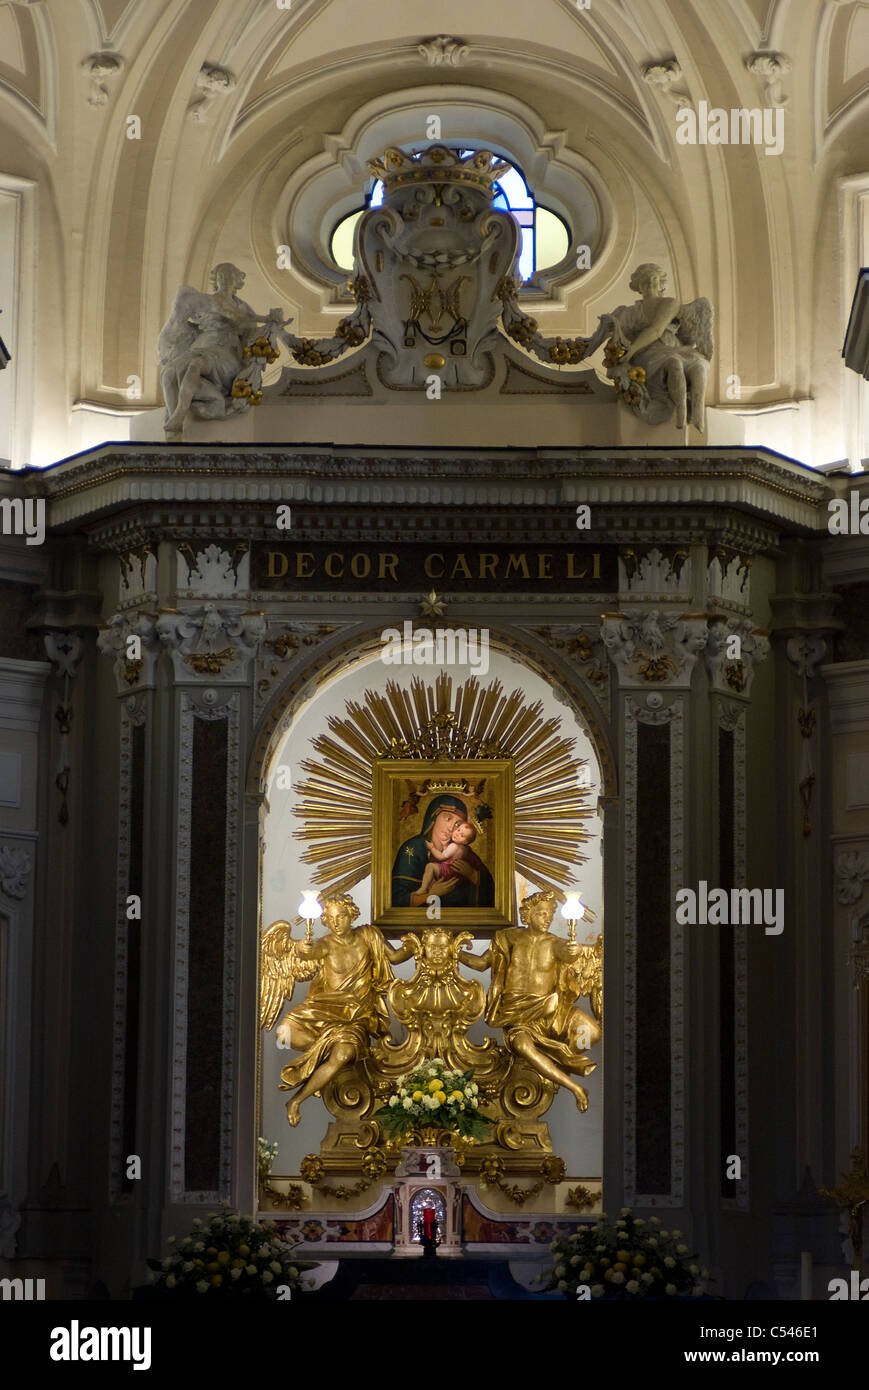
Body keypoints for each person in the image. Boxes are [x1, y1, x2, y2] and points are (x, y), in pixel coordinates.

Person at [275, 894, 414, 1125]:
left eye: (341, 916)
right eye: (330, 918)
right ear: (326, 922)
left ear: (352, 915)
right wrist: (301, 947)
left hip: (354, 1016)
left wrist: (415, 942)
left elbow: (396, 957)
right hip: (323, 1009)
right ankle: (324, 1048)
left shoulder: (369, 935)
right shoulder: (325, 944)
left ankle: (296, 1101)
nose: (336, 922)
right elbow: (309, 951)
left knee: (344, 1055)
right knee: (283, 1034)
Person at [459, 889, 600, 1112]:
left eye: (551, 915)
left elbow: (571, 954)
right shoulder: (508, 938)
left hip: (550, 1011)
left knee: (591, 1031)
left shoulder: (555, 943)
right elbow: (481, 963)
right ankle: (575, 1087)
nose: (548, 919)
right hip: (517, 1015)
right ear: (527, 915)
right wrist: (455, 952)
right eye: (542, 914)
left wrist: (577, 950)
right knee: (522, 1045)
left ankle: (555, 1059)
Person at [391, 794, 494, 908]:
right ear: (433, 818)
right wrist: (430, 895)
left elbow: (492, 894)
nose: (451, 828)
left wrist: (473, 875)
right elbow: (396, 899)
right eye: (448, 818)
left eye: (457, 824)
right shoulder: (412, 848)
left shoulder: (465, 853)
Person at [417, 819, 482, 899]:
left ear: (465, 842)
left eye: (462, 835)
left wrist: (432, 848)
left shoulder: (454, 846)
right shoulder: (465, 849)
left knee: (430, 866)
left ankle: (423, 889)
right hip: (455, 875)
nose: (457, 834)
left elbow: (441, 857)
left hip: (448, 871)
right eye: (458, 830)